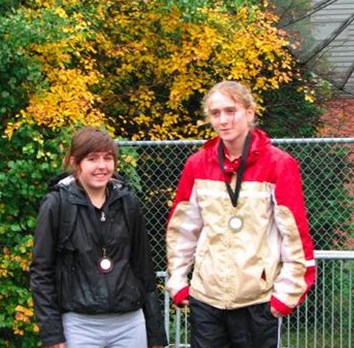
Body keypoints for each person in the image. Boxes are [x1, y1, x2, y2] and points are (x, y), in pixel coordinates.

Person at [165, 81, 316, 347]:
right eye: (215, 113)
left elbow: (294, 236)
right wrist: (177, 281)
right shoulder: (197, 164)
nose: (223, 120)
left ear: (249, 112)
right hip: (207, 301)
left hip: (257, 303)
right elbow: (181, 230)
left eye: (230, 111)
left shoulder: (279, 164)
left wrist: (285, 297)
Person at [30, 127, 167, 348]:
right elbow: (41, 272)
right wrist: (52, 334)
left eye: (108, 158)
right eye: (92, 159)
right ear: (76, 163)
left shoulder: (128, 202)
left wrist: (155, 332)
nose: (102, 166)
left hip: (129, 323)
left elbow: (144, 269)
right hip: (79, 325)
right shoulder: (56, 204)